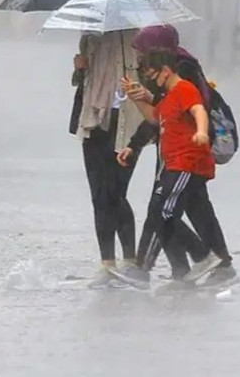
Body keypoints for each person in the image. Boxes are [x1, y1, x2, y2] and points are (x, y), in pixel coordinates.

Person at [110, 25, 237, 290]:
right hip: (177, 150)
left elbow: (183, 109)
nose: (141, 59)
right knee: (195, 209)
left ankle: (147, 267)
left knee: (161, 209)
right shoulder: (164, 72)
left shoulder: (182, 72)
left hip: (186, 153)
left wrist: (152, 98)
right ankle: (206, 267)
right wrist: (134, 144)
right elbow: (159, 115)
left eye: (144, 52)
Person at [71, 30, 143, 288]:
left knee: (116, 193)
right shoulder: (89, 37)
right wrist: (80, 68)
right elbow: (82, 81)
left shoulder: (136, 38)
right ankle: (107, 263)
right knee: (99, 195)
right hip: (93, 121)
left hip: (126, 124)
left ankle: (130, 261)